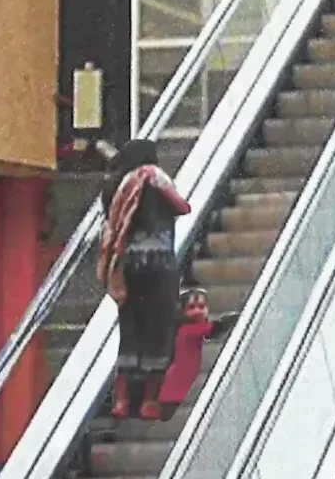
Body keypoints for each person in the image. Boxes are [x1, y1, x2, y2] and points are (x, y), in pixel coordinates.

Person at [95, 139, 192, 420]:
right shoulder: (156, 180)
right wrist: (157, 182)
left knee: (130, 330)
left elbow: (111, 222)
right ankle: (149, 400)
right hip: (160, 267)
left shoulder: (116, 187)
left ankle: (122, 400)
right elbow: (183, 207)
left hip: (126, 269)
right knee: (158, 331)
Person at [146, 287, 241, 421]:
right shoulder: (187, 331)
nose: (197, 311)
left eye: (201, 307)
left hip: (180, 382)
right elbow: (214, 329)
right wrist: (234, 318)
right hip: (175, 385)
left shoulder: (186, 331)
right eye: (191, 307)